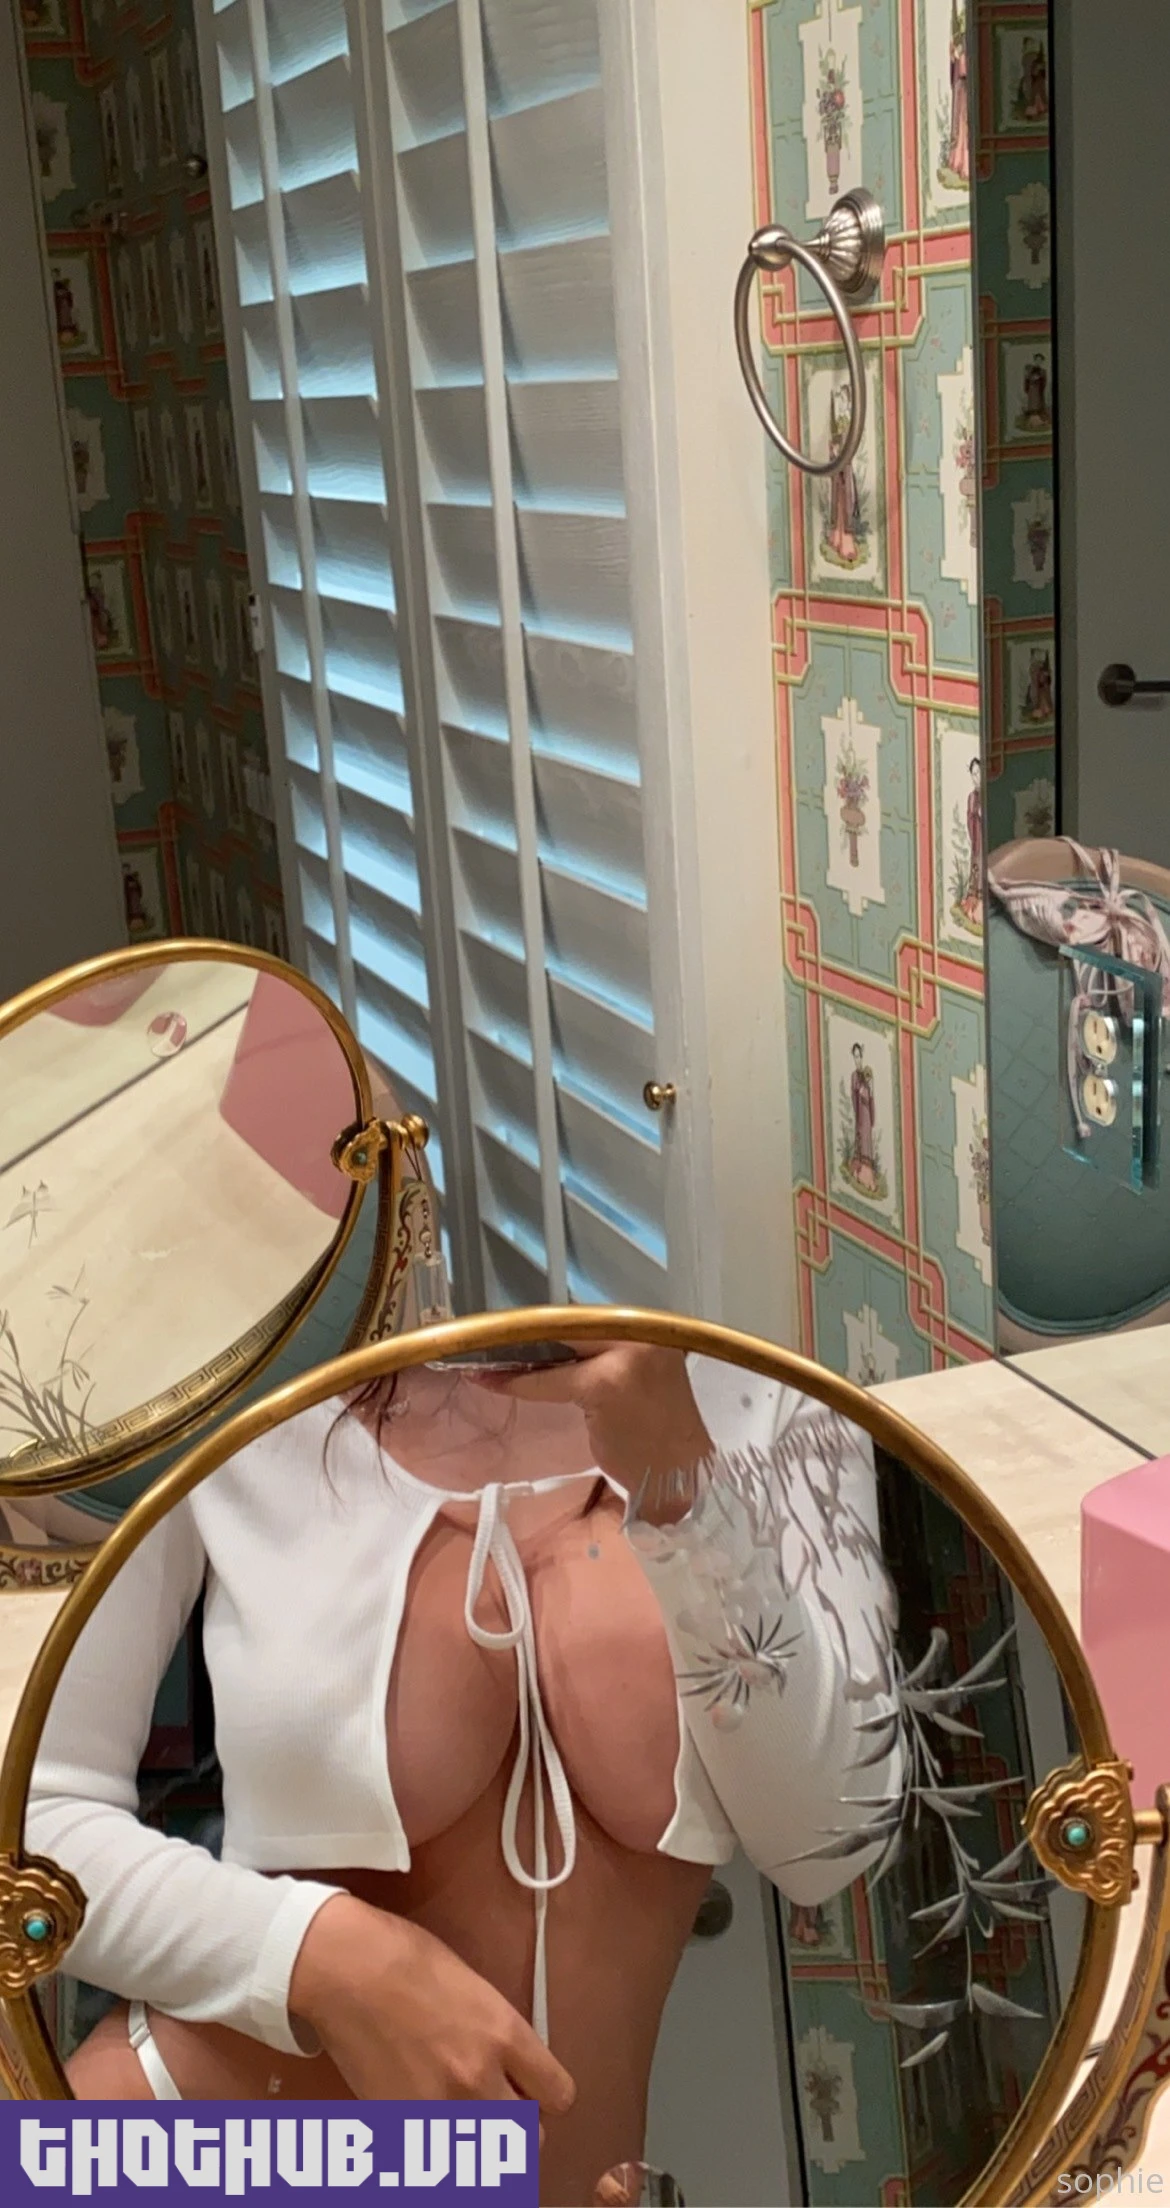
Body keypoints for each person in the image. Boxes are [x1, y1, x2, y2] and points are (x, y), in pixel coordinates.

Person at [28, 1343, 901, 2207]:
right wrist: (327, 1959)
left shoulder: (773, 1396)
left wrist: (684, 1489)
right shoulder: (220, 1379)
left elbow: (831, 1845)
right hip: (186, 2162)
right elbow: (35, 1818)